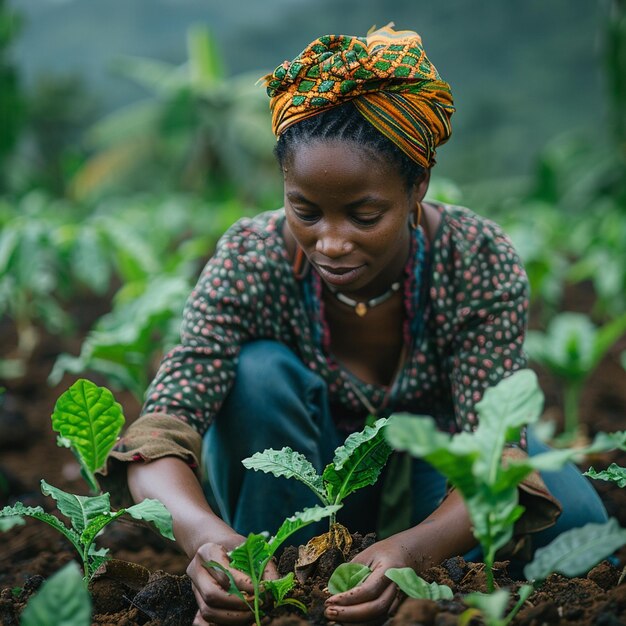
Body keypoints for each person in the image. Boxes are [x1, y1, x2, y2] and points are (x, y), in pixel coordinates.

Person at [99, 24, 609, 625]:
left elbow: (495, 455)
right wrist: (204, 537)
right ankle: (277, 578)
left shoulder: (475, 258)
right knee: (258, 374)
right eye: (305, 212)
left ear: (418, 186)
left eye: (365, 215)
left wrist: (412, 553)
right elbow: (163, 429)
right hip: (298, 481)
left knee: (578, 529)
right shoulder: (253, 258)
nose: (331, 243)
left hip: (440, 476)